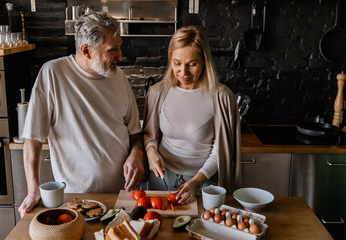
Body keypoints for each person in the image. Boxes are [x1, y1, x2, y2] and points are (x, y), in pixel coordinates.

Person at [18, 11, 145, 217]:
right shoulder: (53, 74)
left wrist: (137, 154)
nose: (121, 57)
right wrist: (33, 190)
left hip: (122, 196)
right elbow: (33, 138)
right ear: (86, 51)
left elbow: (134, 132)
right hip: (76, 201)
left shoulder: (118, 76)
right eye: (113, 50)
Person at [143, 25, 242, 205]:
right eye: (177, 63)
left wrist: (197, 182)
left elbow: (221, 150)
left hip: (204, 183)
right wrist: (151, 152)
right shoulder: (157, 93)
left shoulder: (222, 97)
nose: (183, 72)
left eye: (192, 64)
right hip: (161, 179)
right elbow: (150, 134)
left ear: (205, 61)